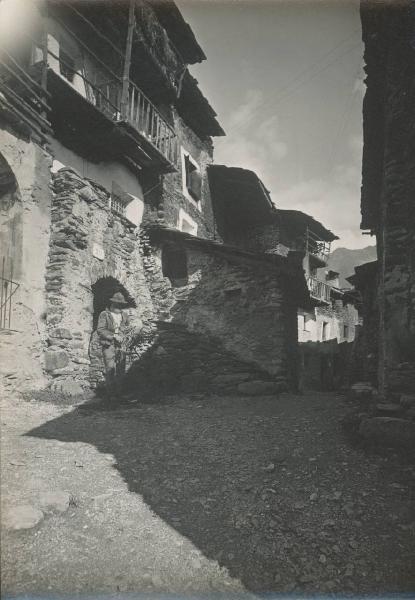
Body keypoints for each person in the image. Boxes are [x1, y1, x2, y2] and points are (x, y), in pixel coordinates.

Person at [97, 291, 131, 399]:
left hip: (121, 346)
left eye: (121, 304)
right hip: (109, 345)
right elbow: (100, 330)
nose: (119, 306)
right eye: (117, 304)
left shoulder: (124, 315)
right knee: (110, 369)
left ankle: (119, 394)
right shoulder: (104, 314)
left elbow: (126, 328)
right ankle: (111, 396)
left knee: (121, 369)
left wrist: (125, 335)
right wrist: (113, 336)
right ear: (112, 303)